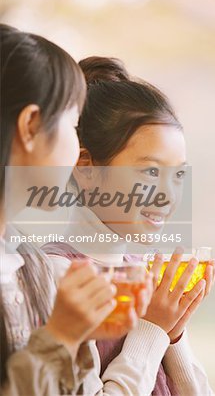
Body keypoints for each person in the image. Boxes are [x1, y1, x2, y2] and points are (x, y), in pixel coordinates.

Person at [44, 56, 215, 395]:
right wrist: (151, 327)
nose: (169, 194)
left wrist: (174, 331)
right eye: (151, 172)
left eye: (178, 174)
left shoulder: (142, 271)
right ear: (86, 168)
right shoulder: (57, 276)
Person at [0, 26, 152, 395]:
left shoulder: (29, 263)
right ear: (31, 125)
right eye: (73, 125)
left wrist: (78, 337)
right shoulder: (48, 264)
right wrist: (62, 336)